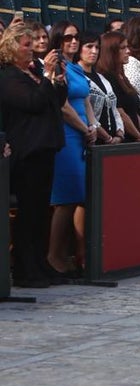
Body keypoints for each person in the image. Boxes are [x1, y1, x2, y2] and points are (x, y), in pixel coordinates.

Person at [0, 21, 68, 287]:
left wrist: (56, 81)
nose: (31, 50)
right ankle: (26, 269)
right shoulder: (8, 77)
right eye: (26, 45)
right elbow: (33, 103)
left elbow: (54, 101)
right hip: (26, 150)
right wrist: (49, 78)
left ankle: (41, 263)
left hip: (46, 146)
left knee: (41, 212)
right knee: (28, 213)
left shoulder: (33, 73)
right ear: (11, 47)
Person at [46, 22, 94, 278]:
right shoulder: (56, 66)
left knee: (78, 197)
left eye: (76, 37)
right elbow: (62, 106)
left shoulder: (75, 67)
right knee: (65, 200)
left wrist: (93, 124)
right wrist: (83, 128)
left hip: (81, 135)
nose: (73, 42)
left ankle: (73, 254)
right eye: (67, 39)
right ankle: (54, 256)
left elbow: (84, 99)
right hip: (66, 136)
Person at [97, 30, 140, 142]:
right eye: (123, 48)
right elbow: (120, 112)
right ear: (111, 51)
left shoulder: (122, 76)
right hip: (126, 138)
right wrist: (137, 135)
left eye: (127, 47)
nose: (128, 51)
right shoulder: (108, 78)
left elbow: (133, 109)